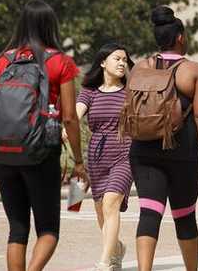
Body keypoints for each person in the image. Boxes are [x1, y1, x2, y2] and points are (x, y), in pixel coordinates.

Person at [0, 0, 88, 271]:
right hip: (40, 153)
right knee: (48, 228)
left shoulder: (1, 62)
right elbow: (69, 117)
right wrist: (78, 161)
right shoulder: (59, 62)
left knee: (17, 229)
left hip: (3, 155)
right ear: (50, 25)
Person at [129, 6, 198, 271]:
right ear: (180, 37)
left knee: (149, 212)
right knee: (184, 215)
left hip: (143, 151)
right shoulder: (194, 71)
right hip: (183, 152)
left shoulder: (140, 68)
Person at [77, 43, 135, 270]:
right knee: (101, 211)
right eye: (117, 58)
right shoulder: (89, 91)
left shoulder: (130, 91)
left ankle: (104, 263)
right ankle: (117, 249)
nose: (122, 63)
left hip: (125, 151)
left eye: (125, 60)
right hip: (97, 155)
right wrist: (64, 129)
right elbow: (77, 113)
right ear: (103, 62)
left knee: (112, 202)